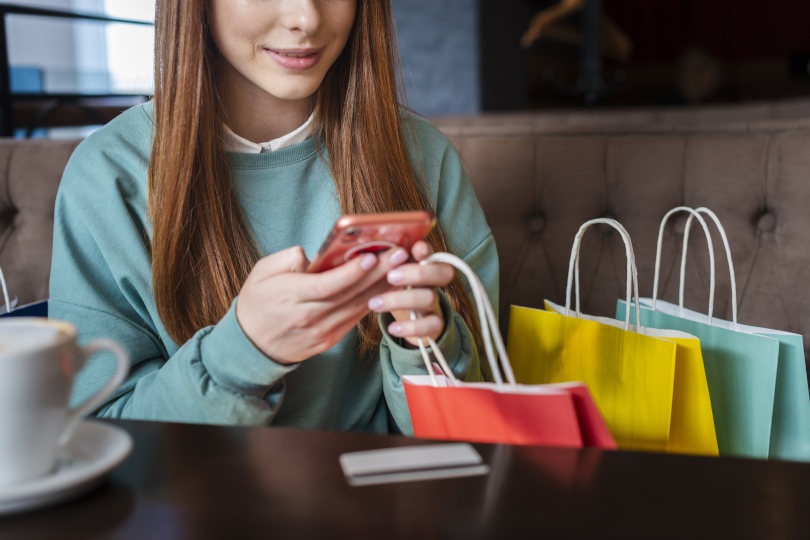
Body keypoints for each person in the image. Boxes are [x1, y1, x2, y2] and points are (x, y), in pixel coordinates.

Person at [50, 0, 498, 434]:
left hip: (386, 484)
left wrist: (423, 344)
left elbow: (479, 430)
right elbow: (97, 435)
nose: (306, 18)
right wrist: (242, 352)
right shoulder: (109, 174)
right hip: (192, 487)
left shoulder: (423, 155)